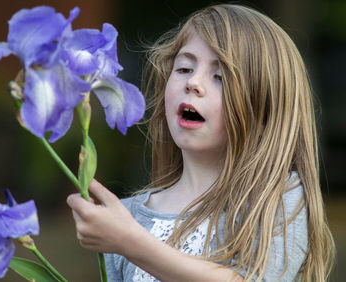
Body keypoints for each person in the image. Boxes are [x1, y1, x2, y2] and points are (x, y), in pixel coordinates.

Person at [67, 4, 335, 281]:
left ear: (265, 109)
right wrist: (124, 237)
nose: (193, 82)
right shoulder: (127, 215)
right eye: (183, 68)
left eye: (220, 77)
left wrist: (131, 242)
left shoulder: (277, 199)